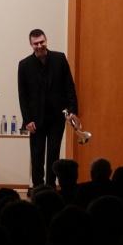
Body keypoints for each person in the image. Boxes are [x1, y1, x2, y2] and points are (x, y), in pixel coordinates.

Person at [18, 29, 78, 188]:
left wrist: (72, 110)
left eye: (41, 42)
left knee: (53, 153)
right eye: (36, 43)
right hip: (35, 119)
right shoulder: (24, 65)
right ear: (31, 45)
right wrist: (27, 120)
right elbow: (23, 96)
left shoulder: (59, 58)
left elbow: (69, 86)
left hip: (56, 117)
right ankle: (38, 188)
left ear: (46, 41)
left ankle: (51, 187)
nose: (39, 46)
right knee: (37, 155)